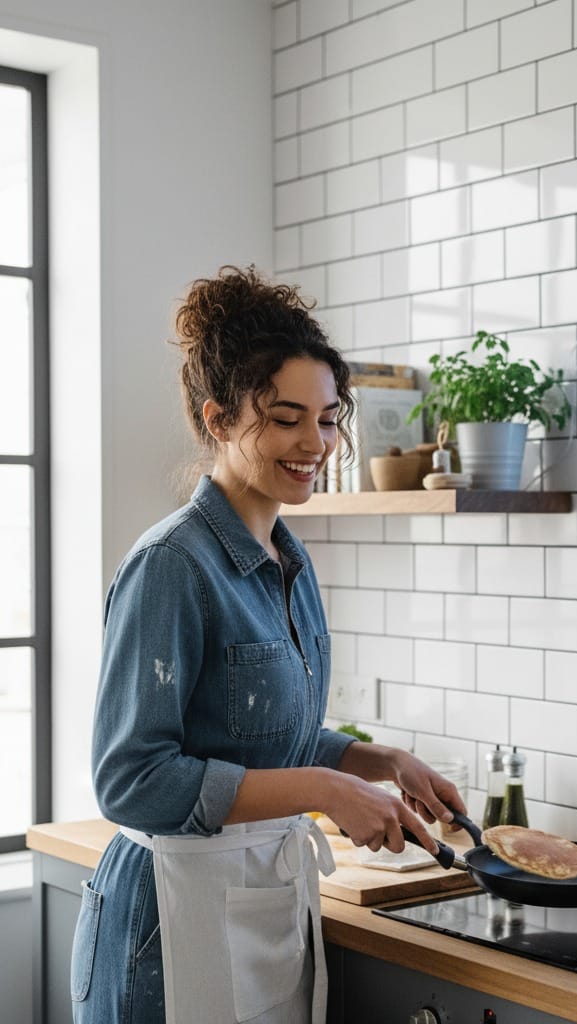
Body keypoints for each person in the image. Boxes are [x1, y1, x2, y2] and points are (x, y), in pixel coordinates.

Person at [69, 265, 465, 1024]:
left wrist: (380, 761)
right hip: (164, 919)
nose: (315, 443)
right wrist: (323, 791)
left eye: (327, 419)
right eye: (286, 419)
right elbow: (132, 781)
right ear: (219, 420)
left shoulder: (289, 560)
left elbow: (261, 735)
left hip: (257, 895)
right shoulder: (172, 565)